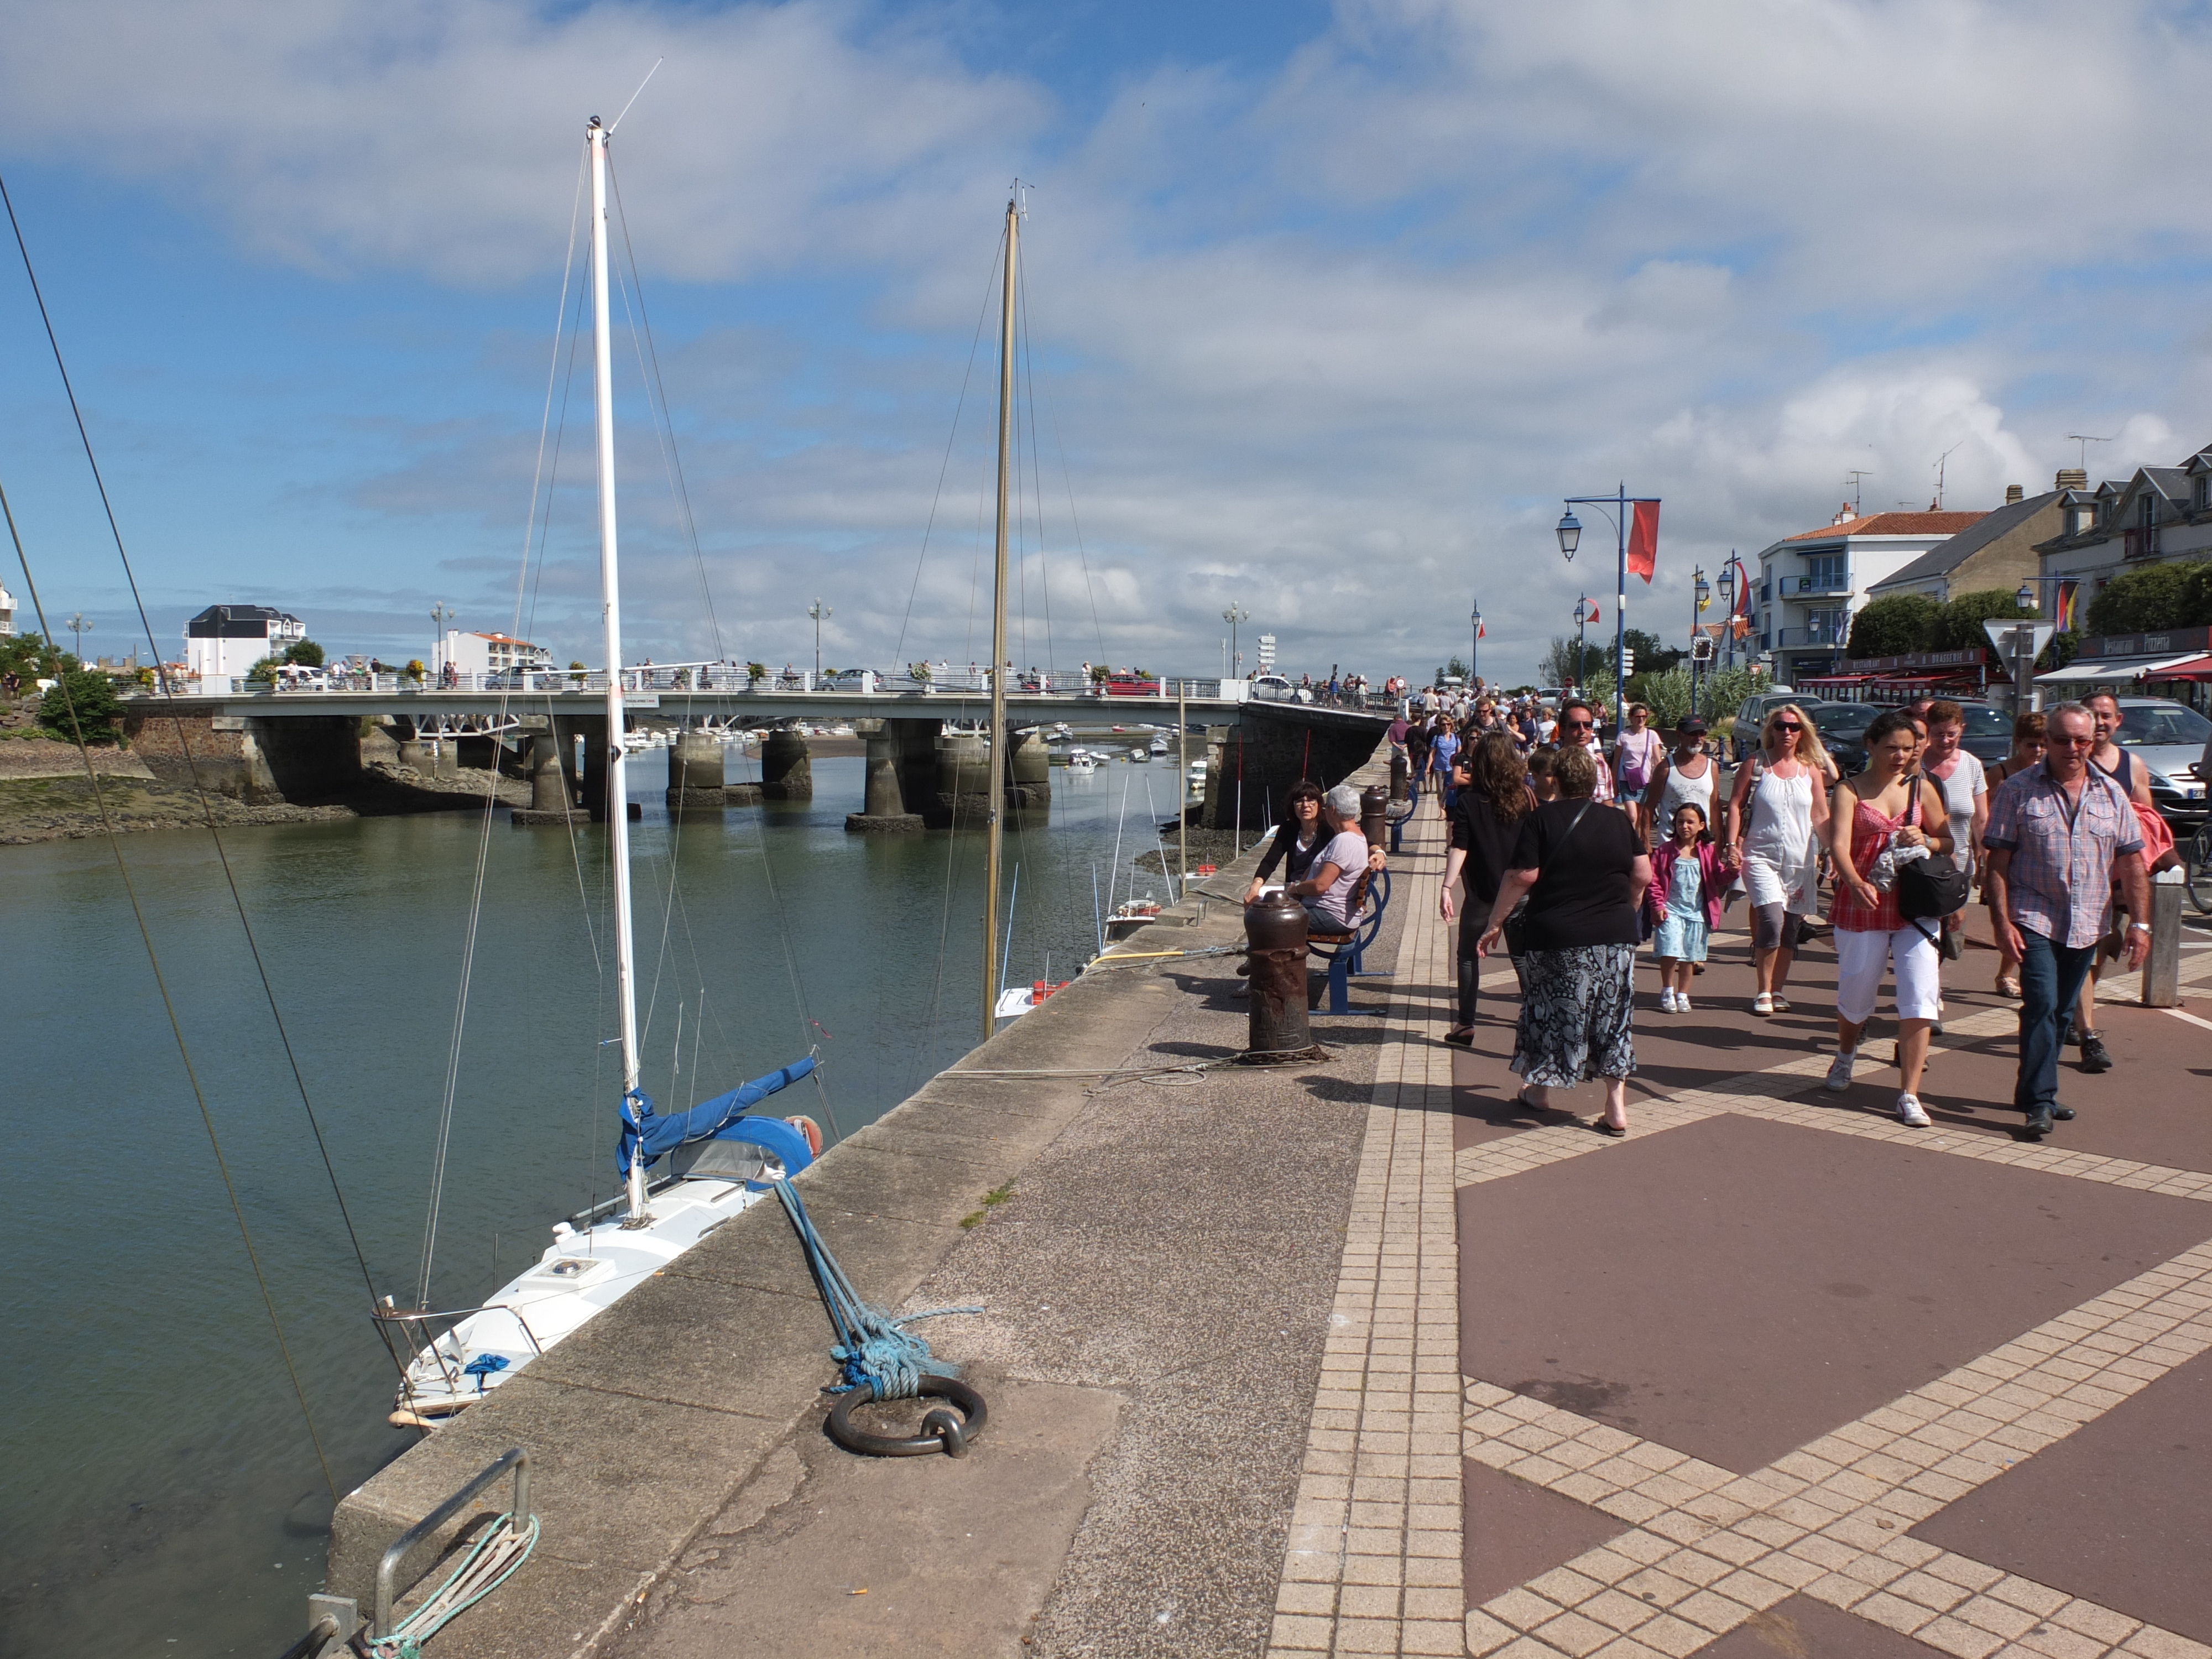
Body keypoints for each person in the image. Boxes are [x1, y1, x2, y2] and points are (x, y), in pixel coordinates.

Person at [1984, 702, 2151, 1137]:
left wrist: (2140, 924)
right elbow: (1997, 863)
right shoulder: (2018, 790)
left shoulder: (2112, 794)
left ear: (2094, 739)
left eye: (2082, 740)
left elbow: (2133, 862)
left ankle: (2034, 1089)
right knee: (2040, 1003)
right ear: (2047, 740)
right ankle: (2040, 1101)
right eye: (2062, 740)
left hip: (2088, 921)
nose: (2072, 749)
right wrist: (2002, 925)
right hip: (2033, 915)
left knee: (2060, 1012)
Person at [1474, 745, 1652, 1136]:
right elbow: (1642, 874)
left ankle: (1539, 1091)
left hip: (1558, 935)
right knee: (1613, 1018)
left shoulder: (1543, 819)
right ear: (1593, 781)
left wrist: (1494, 923)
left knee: (1549, 1012)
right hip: (1615, 937)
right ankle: (1616, 1107)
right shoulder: (1618, 821)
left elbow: (1522, 876)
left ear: (1557, 779)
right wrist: (1628, 909)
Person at [1822, 710, 1955, 1126]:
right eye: (1890, 748)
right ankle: (1846, 1054)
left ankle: (1910, 1093)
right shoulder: (1849, 790)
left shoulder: (1923, 788)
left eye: (1907, 748)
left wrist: (1929, 839)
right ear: (1871, 746)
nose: (1900, 756)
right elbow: (1839, 846)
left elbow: (1949, 839)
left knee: (1920, 996)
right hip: (1864, 903)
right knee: (1857, 995)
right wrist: (1852, 880)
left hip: (1915, 906)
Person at [2068, 691, 2160, 1073]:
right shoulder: (2069, 759)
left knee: (2105, 950)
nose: (2100, 722)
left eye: (2106, 716)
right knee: (2086, 954)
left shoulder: (2131, 764)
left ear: (2118, 721)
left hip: (2120, 879)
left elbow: (2148, 823)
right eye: (2093, 715)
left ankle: (2071, 1010)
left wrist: (2161, 866)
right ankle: (2088, 1033)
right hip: (2079, 879)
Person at [1723, 704, 1831, 1015]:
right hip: (1760, 856)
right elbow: (1735, 804)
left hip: (1800, 861)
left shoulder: (1810, 770)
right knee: (1771, 920)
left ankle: (1778, 989)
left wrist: (1830, 851)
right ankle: (1763, 990)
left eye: (1793, 728)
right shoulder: (1756, 764)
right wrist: (1732, 844)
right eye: (1781, 726)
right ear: (1771, 729)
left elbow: (1821, 814)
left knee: (1791, 929)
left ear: (1802, 733)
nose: (1787, 732)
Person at [1439, 732, 1537, 1046]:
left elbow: (1460, 847)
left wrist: (1447, 886)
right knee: (1521, 957)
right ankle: (1536, 1016)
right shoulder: (1526, 797)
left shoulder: (1470, 802)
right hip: (1519, 892)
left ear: (1479, 764)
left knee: (1467, 956)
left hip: (1482, 893)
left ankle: (1465, 1024)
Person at [1920, 701, 1988, 981]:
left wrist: (1984, 853)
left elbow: (1981, 818)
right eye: (1938, 734)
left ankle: (1929, 985)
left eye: (1952, 734)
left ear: (1962, 730)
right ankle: (1929, 993)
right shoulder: (1917, 763)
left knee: (1951, 935)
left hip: (1959, 867)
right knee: (1924, 934)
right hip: (1922, 867)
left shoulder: (1972, 765)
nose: (1945, 741)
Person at [1983, 712, 2047, 998]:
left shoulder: (2051, 772)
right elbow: (1983, 817)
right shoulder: (2001, 774)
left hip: (2038, 858)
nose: (2038, 751)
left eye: (2044, 745)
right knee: (2014, 918)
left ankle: (2019, 974)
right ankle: (2006, 974)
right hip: (2007, 856)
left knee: (2032, 921)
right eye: (2032, 745)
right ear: (2018, 743)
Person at [1645, 802, 1728, 1012]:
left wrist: (1734, 870)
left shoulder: (1707, 852)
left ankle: (1683, 994)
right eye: (1680, 822)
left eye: (1690, 822)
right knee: (1670, 950)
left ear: (1701, 826)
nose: (1685, 826)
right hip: (1671, 910)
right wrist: (1657, 905)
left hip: (1697, 912)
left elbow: (1718, 877)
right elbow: (1653, 880)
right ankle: (1667, 990)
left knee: (1690, 955)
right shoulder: (1664, 851)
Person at [1288, 785, 1380, 933]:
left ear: (1332, 810)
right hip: (1337, 912)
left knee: (1273, 919)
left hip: (1331, 914)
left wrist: (1295, 888)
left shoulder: (1344, 841)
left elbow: (1320, 886)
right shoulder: (1356, 836)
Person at [1246, 781, 1330, 900]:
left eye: (1311, 801)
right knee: (1254, 898)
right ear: (1293, 806)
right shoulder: (1289, 828)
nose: (1305, 805)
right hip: (1292, 890)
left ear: (1319, 804)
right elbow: (1270, 861)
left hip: (1315, 891)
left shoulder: (1328, 830)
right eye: (1300, 801)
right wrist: (1255, 885)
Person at [1644, 718, 1719, 851]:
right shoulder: (1665, 768)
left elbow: (1715, 807)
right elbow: (1649, 807)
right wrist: (1645, 841)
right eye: (1692, 734)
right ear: (1679, 735)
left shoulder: (1712, 767)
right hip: (1670, 845)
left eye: (1702, 733)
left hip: (1702, 846)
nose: (1698, 738)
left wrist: (1719, 840)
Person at [1613, 703, 1663, 837]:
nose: (1641, 719)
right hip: (1627, 781)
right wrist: (1614, 783)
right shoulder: (1623, 736)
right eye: (1638, 716)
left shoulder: (1652, 735)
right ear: (1631, 718)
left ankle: (1638, 845)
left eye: (1644, 717)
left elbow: (1657, 760)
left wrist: (1659, 782)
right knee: (1633, 816)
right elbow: (1616, 760)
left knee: (1642, 818)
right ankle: (1630, 841)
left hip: (1646, 782)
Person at [1557, 698, 1615, 804]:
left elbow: (1607, 806)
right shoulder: (1552, 764)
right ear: (1562, 730)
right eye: (1575, 725)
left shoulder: (1600, 764)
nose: (1582, 730)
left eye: (1587, 725)